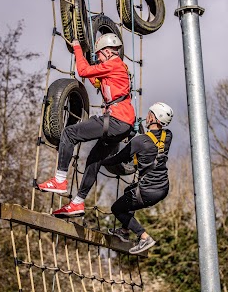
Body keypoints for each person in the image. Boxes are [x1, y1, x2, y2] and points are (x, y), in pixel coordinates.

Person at [37, 33, 135, 217]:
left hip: (116, 119)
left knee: (69, 134)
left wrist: (77, 48)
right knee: (94, 159)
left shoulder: (113, 64)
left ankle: (59, 180)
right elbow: (94, 78)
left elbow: (83, 72)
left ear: (106, 52)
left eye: (99, 55)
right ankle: (78, 203)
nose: (98, 58)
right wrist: (87, 63)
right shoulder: (116, 67)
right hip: (123, 125)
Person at [103, 102, 173, 254]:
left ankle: (144, 237)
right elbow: (150, 145)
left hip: (148, 191)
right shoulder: (167, 136)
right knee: (129, 191)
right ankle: (124, 230)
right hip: (163, 187)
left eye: (150, 114)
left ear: (154, 118)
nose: (147, 117)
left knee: (117, 208)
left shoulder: (140, 142)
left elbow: (118, 158)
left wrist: (100, 162)